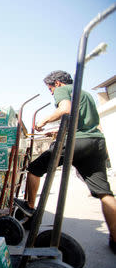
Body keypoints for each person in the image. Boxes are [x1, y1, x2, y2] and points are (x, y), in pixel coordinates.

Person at [15, 70, 116, 253]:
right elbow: (79, 120)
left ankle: (30, 206)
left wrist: (43, 121)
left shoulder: (64, 89)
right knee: (104, 192)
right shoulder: (85, 94)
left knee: (34, 168)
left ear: (57, 83)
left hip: (77, 142)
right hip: (96, 141)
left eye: (50, 89)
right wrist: (55, 132)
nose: (52, 93)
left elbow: (65, 109)